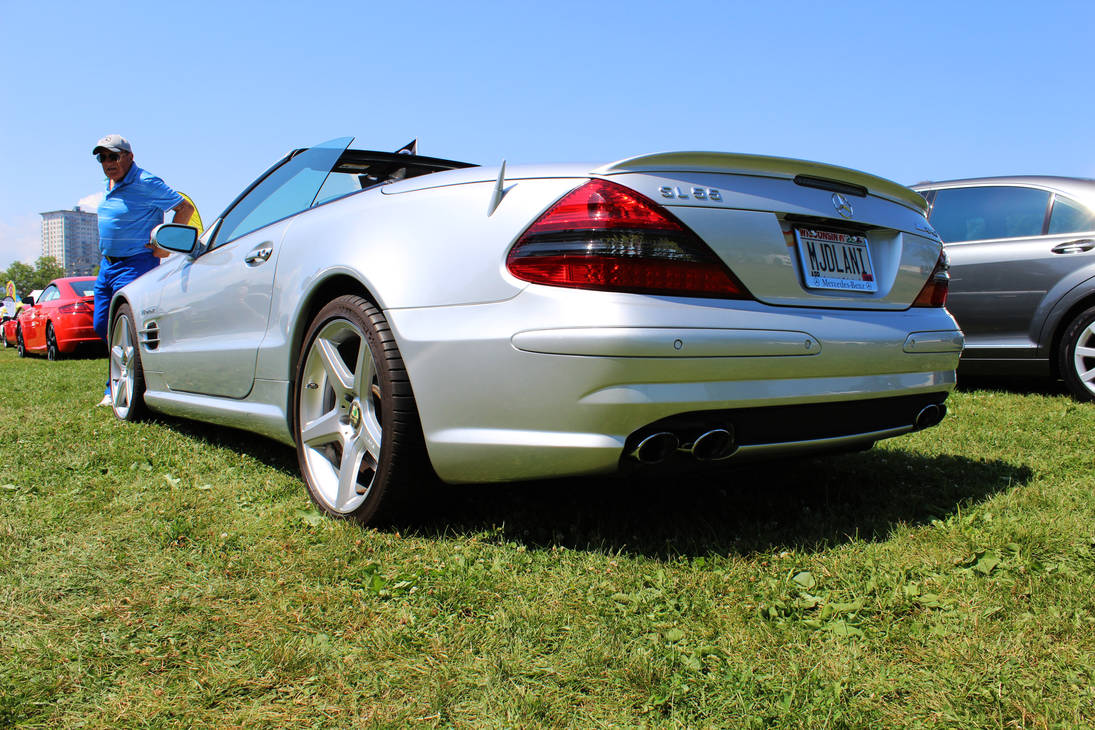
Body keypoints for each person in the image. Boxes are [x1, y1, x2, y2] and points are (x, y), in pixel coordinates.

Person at [92, 134, 194, 405]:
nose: (108, 162)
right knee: (102, 324)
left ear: (129, 156)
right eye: (103, 157)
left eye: (114, 156)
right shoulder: (109, 184)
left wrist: (163, 246)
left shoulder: (146, 182)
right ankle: (121, 380)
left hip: (135, 263)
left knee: (126, 326)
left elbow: (184, 207)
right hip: (107, 265)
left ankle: (121, 389)